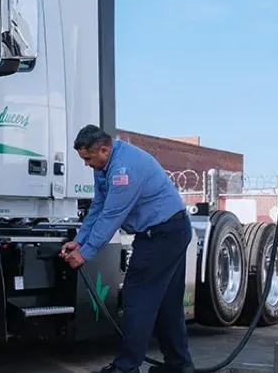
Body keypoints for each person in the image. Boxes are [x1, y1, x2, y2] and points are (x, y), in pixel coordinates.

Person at [59, 124, 195, 373]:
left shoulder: (125, 169)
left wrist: (85, 253)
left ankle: (127, 367)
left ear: (103, 148)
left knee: (137, 298)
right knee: (167, 302)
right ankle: (179, 365)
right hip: (169, 232)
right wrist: (79, 239)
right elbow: (98, 206)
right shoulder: (105, 164)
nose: (86, 164)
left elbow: (111, 216)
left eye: (88, 159)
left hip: (163, 235)